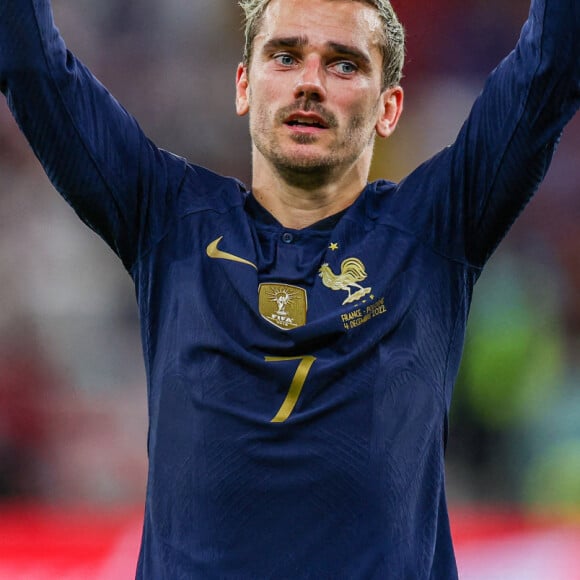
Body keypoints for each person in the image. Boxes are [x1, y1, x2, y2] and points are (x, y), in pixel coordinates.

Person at [0, 0, 578, 577]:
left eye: (344, 65)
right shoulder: (168, 218)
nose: (310, 83)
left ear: (389, 108)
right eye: (285, 56)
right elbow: (31, 68)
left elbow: (551, 64)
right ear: (244, 86)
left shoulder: (433, 229)